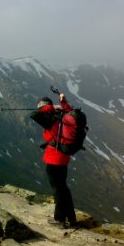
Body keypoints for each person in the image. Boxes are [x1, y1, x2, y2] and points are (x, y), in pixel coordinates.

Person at [35, 93, 77, 228]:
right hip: (64, 157)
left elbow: (35, 115)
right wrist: (62, 103)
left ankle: (59, 219)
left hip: (54, 159)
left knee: (58, 190)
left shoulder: (51, 118)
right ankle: (71, 218)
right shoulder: (64, 116)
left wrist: (47, 107)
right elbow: (72, 112)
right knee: (63, 188)